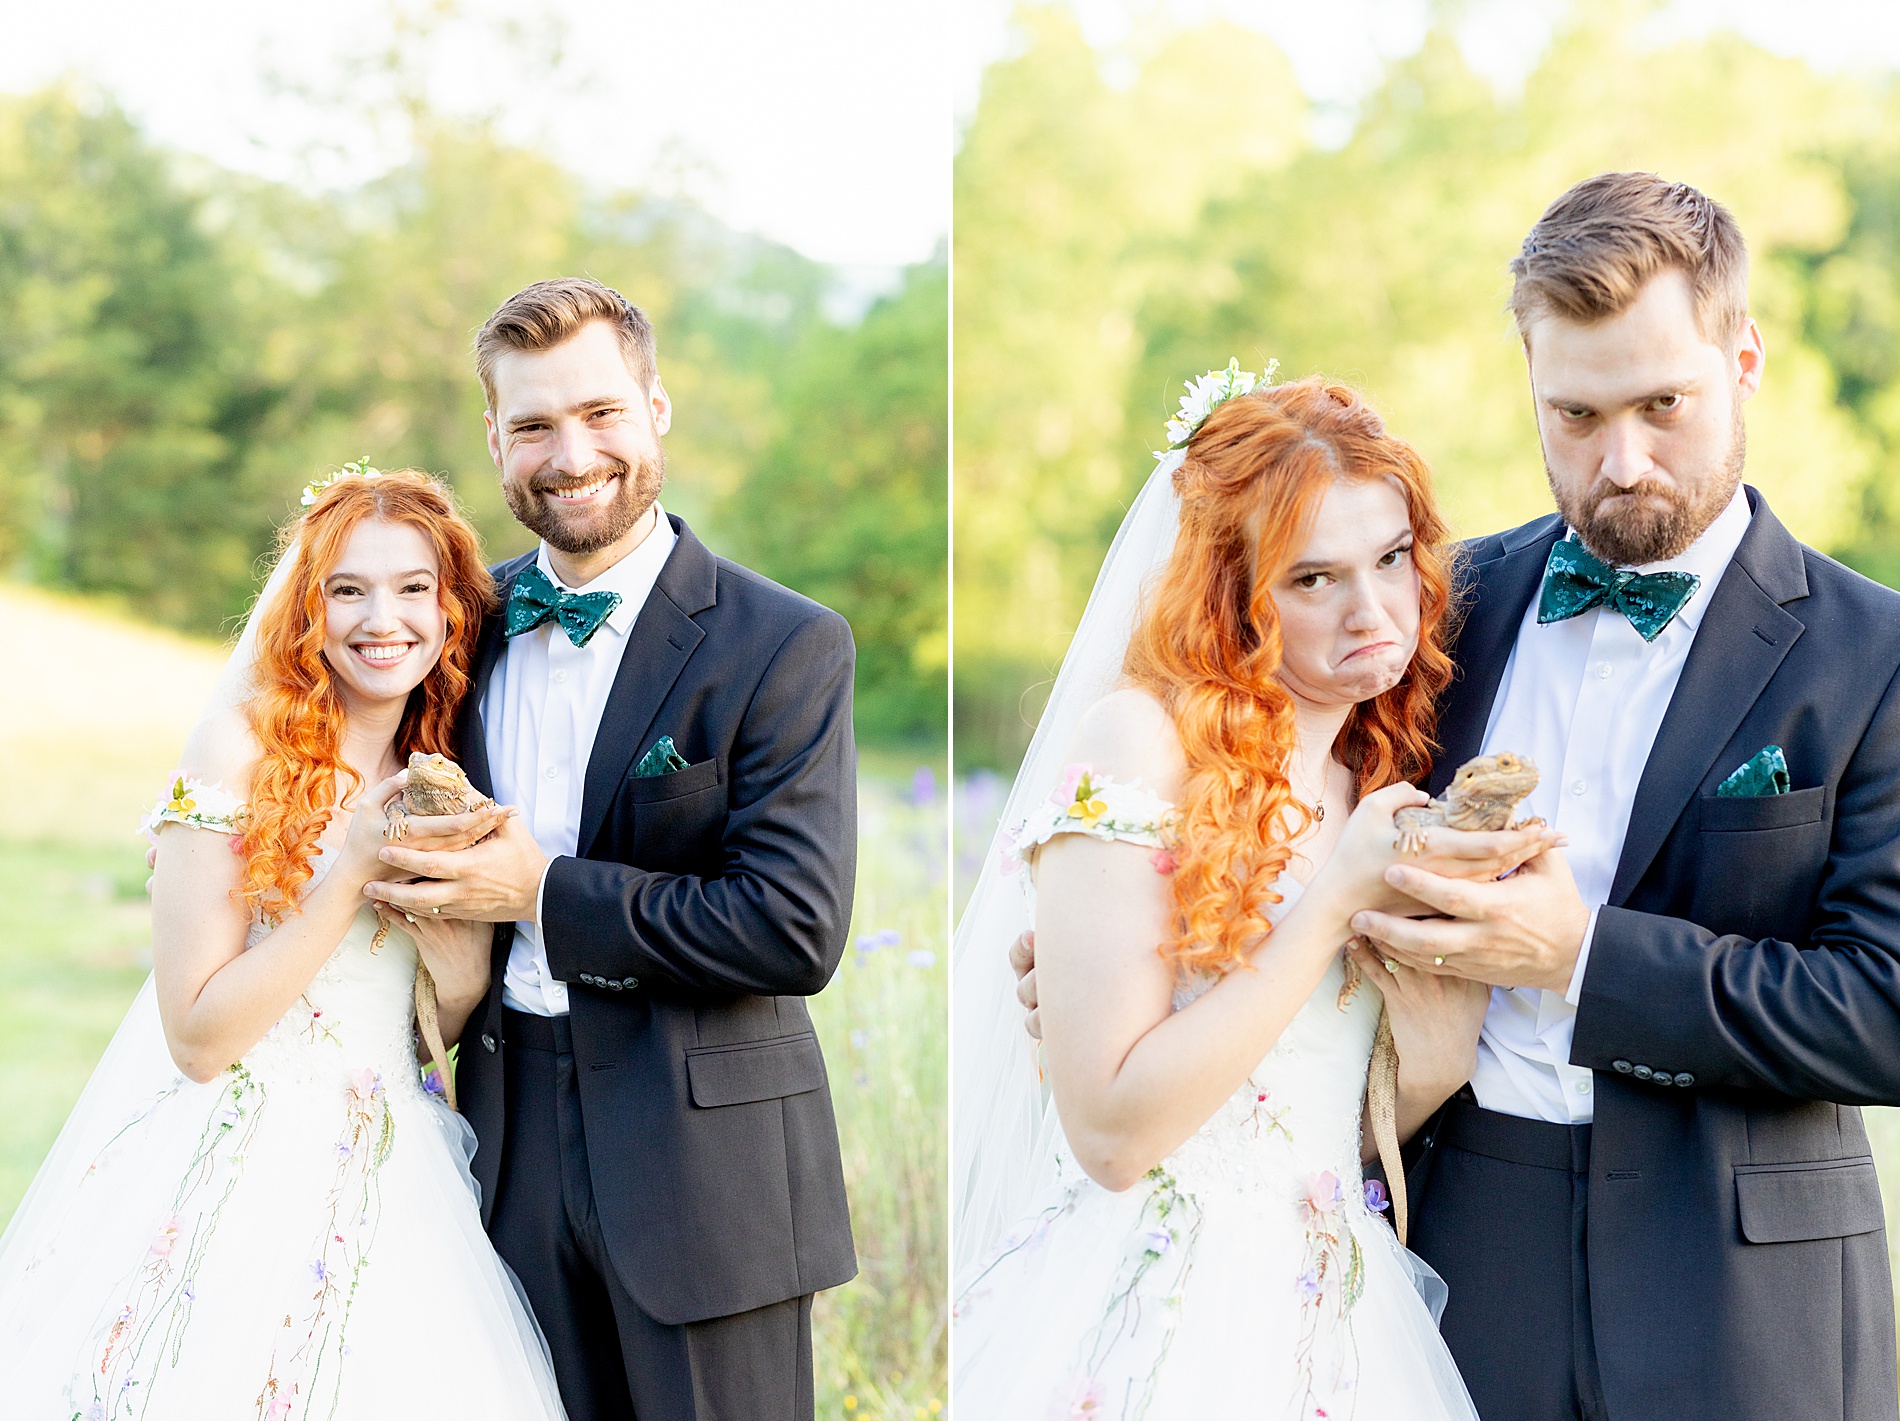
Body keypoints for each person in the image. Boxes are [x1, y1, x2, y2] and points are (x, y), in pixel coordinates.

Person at [1013, 173, 1900, 1421]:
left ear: (1742, 359)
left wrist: (1578, 954)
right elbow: (1268, 825)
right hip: (1454, 1246)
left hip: (1744, 1280)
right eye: (1576, 413)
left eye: (1663, 404)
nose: (1623, 459)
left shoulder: (1873, 653)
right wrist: (1124, 944)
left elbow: (1885, 1004)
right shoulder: (1435, 608)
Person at [951, 370, 1558, 1417]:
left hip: (1337, 1318)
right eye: (1312, 578)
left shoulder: (1364, 781)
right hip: (1166, 1303)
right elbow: (1110, 1133)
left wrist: (1437, 1052)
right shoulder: (1139, 744)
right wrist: (1333, 901)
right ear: (1234, 594)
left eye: (1388, 559)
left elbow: (1319, 1112)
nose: (1371, 610)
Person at [359, 278, 859, 1421]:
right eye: (532, 424)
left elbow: (792, 924)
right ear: (493, 440)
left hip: (707, 1163)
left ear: (656, 408)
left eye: (600, 413)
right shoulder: (451, 629)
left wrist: (542, 890)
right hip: (499, 1134)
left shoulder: (782, 643)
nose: (570, 452)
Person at [0, 468, 571, 1419]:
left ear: (449, 608)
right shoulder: (233, 754)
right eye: (348, 589)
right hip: (240, 1164)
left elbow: (436, 1022)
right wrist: (348, 870)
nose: (380, 618)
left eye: (411, 588)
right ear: (309, 608)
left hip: (398, 1181)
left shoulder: (440, 768)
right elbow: (196, 1036)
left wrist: (463, 959)